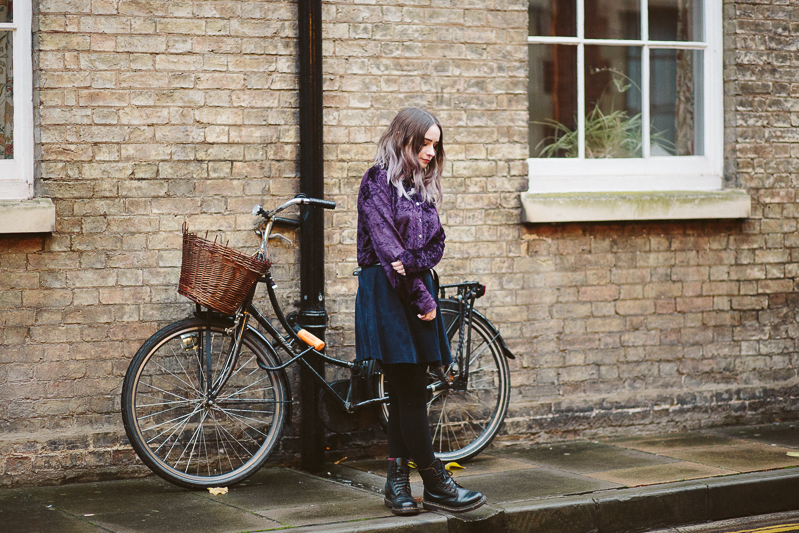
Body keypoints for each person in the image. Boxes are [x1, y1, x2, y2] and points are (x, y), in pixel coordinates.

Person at [354, 107, 486, 516]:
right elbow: (387, 250)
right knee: (410, 390)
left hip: (414, 287)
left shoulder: (418, 185)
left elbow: (436, 243)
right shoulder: (377, 181)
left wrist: (413, 266)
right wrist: (422, 296)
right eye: (423, 143)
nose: (430, 151)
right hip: (388, 293)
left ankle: (396, 483)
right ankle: (435, 482)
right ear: (403, 139)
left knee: (404, 390)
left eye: (435, 144)